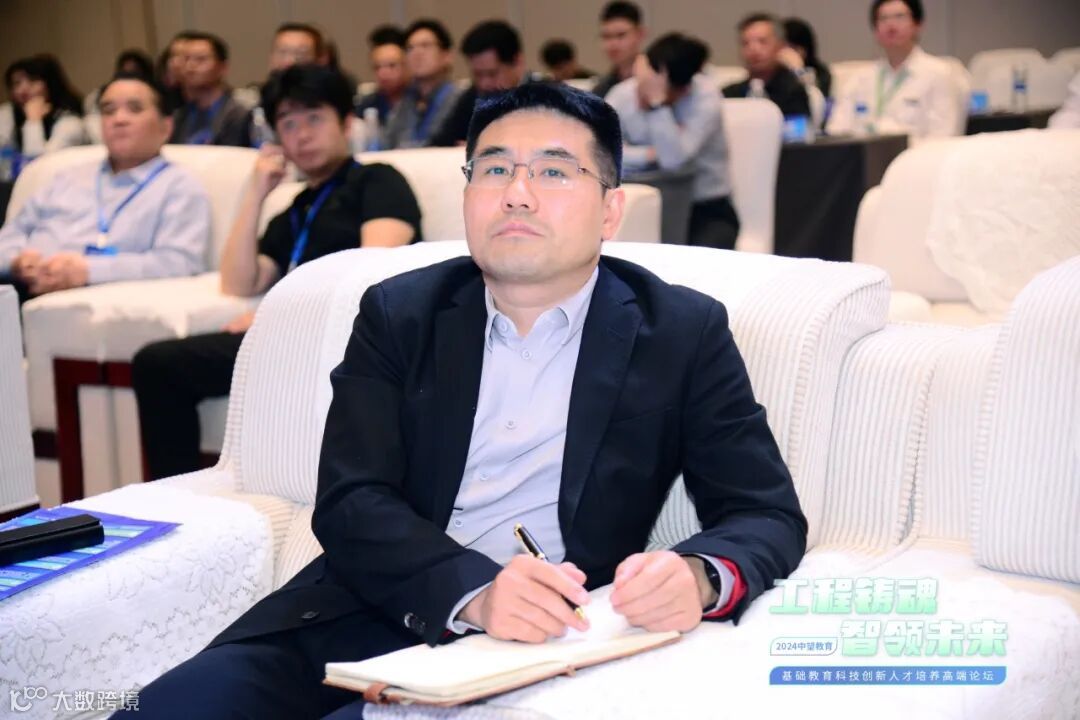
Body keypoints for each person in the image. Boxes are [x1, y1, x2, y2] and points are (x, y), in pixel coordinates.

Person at [120, 80, 806, 720]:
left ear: (610, 210)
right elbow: (352, 497)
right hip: (363, 606)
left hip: (536, 645)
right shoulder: (400, 313)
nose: (518, 194)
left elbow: (763, 511)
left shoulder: (679, 331)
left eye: (555, 172)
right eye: (495, 169)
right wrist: (473, 591)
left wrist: (699, 576)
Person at [132, 64, 421, 481]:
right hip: (289, 338)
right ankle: (173, 495)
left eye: (314, 118)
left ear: (345, 122)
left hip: (352, 336)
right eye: (288, 124)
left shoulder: (378, 181)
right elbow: (239, 283)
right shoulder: (296, 209)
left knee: (160, 365)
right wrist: (255, 193)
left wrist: (276, 316)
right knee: (159, 365)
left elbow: (374, 270)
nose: (301, 135)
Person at [0, 73, 209, 304]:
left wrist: (88, 271)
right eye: (108, 111)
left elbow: (179, 262)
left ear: (165, 127)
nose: (118, 119)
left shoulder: (178, 186)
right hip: (17, 290)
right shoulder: (66, 177)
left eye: (134, 109)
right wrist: (16, 261)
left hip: (98, 301)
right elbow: (10, 236)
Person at [608, 33, 740, 250]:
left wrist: (657, 106)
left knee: (697, 264)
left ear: (685, 88)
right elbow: (603, 152)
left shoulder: (705, 98)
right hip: (641, 202)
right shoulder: (622, 95)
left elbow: (672, 160)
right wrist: (647, 155)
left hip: (705, 208)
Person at [826, 0, 963, 139]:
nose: (891, 26)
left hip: (917, 152)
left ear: (917, 24)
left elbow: (944, 136)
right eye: (883, 19)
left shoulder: (940, 74)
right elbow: (837, 131)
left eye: (899, 17)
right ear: (875, 30)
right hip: (863, 151)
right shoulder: (859, 79)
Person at [429, 20, 542, 147]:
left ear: (517, 62)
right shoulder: (471, 98)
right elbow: (440, 146)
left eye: (492, 74)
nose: (484, 84)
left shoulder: (546, 99)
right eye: (477, 75)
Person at [0, 55, 85, 180]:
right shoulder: (8, 113)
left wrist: (33, 121)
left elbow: (38, 168)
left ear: (50, 84)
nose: (23, 89)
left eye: (32, 80)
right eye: (17, 83)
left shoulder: (70, 122)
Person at [381, 19, 461, 149]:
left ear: (447, 56)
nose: (417, 53)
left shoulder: (461, 100)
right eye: (410, 48)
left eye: (425, 46)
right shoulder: (403, 103)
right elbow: (387, 145)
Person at [722, 13, 811, 118]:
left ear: (780, 46)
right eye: (746, 43)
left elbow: (799, 127)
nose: (754, 50)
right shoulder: (729, 95)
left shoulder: (793, 92)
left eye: (762, 42)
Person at [170, 31, 251, 146]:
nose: (190, 66)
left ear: (222, 67)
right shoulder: (179, 117)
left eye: (200, 59)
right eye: (186, 59)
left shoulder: (240, 114)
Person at [235, 22, 328, 111]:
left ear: (319, 61)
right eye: (282, 52)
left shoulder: (328, 105)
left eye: (300, 54)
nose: (289, 62)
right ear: (271, 58)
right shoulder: (245, 104)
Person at [86, 49, 156, 144]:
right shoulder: (99, 96)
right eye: (110, 110)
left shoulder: (155, 94)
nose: (120, 119)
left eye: (135, 109)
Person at [355, 25, 409, 128]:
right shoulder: (366, 106)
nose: (383, 73)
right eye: (377, 67)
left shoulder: (419, 102)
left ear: (407, 67)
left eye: (392, 65)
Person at [592, 1, 647, 98]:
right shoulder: (601, 90)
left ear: (640, 34)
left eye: (621, 35)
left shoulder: (658, 80)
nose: (613, 44)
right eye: (606, 36)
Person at [781, 17, 832, 98]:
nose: (788, 54)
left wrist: (798, 70)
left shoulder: (820, 72)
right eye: (783, 48)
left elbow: (816, 100)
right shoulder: (771, 73)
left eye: (793, 48)